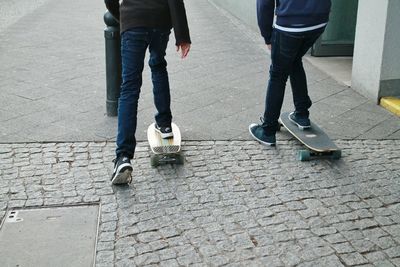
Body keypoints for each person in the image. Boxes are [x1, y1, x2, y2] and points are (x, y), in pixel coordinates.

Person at [105, 0, 191, 184]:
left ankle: (123, 157)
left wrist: (123, 16)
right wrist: (182, 35)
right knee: (159, 67)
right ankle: (165, 125)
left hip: (132, 19)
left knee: (129, 87)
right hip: (160, 22)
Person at [249, 0, 331, 146]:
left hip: (291, 24)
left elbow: (264, 4)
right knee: (294, 61)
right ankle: (301, 113)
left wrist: (267, 36)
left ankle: (268, 130)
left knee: (277, 75)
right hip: (319, 21)